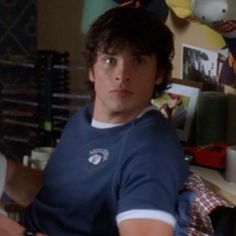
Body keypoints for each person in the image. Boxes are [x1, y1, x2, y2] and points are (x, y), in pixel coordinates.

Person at [0, 6, 189, 236]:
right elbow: (56, 198)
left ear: (158, 73)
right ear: (91, 69)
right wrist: (6, 172)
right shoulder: (83, 119)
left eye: (138, 61)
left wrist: (13, 232)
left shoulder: (151, 149)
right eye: (110, 60)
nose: (122, 74)